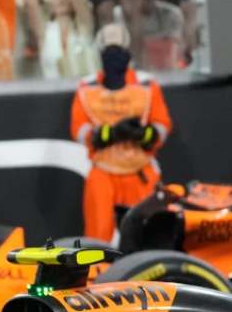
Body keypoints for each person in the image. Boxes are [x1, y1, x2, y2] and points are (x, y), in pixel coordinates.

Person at [71, 25, 171, 241]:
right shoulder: (88, 87)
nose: (113, 56)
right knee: (97, 237)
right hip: (103, 170)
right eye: (109, 50)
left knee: (148, 233)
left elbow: (162, 125)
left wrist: (142, 134)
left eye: (117, 49)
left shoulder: (146, 85)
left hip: (140, 170)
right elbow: (79, 129)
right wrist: (111, 133)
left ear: (127, 51)